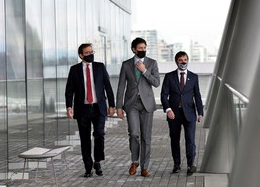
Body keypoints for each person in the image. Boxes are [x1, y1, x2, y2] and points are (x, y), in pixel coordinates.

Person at [65, 43, 115, 178]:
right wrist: (69, 107)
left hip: (99, 108)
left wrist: (112, 105)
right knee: (85, 139)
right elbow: (69, 90)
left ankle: (97, 161)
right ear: (81, 55)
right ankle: (88, 167)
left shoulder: (100, 67)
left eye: (91, 52)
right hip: (82, 110)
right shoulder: (74, 70)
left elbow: (108, 87)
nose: (90, 54)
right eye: (87, 53)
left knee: (99, 133)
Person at [114, 37, 160, 177]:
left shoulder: (152, 63)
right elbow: (121, 86)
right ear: (134, 49)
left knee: (146, 137)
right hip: (131, 104)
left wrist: (145, 71)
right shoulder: (126, 64)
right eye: (140, 48)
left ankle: (145, 167)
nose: (143, 50)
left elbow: (157, 82)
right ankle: (135, 161)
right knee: (134, 133)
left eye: (144, 48)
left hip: (147, 104)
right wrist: (119, 107)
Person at [160, 51, 204, 176]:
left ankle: (191, 165)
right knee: (175, 139)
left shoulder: (194, 77)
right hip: (174, 113)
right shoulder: (169, 76)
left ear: (188, 60)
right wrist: (168, 110)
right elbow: (164, 95)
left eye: (185, 59)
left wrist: (200, 112)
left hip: (189, 113)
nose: (183, 62)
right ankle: (177, 164)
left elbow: (197, 95)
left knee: (190, 139)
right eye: (181, 60)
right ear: (176, 62)